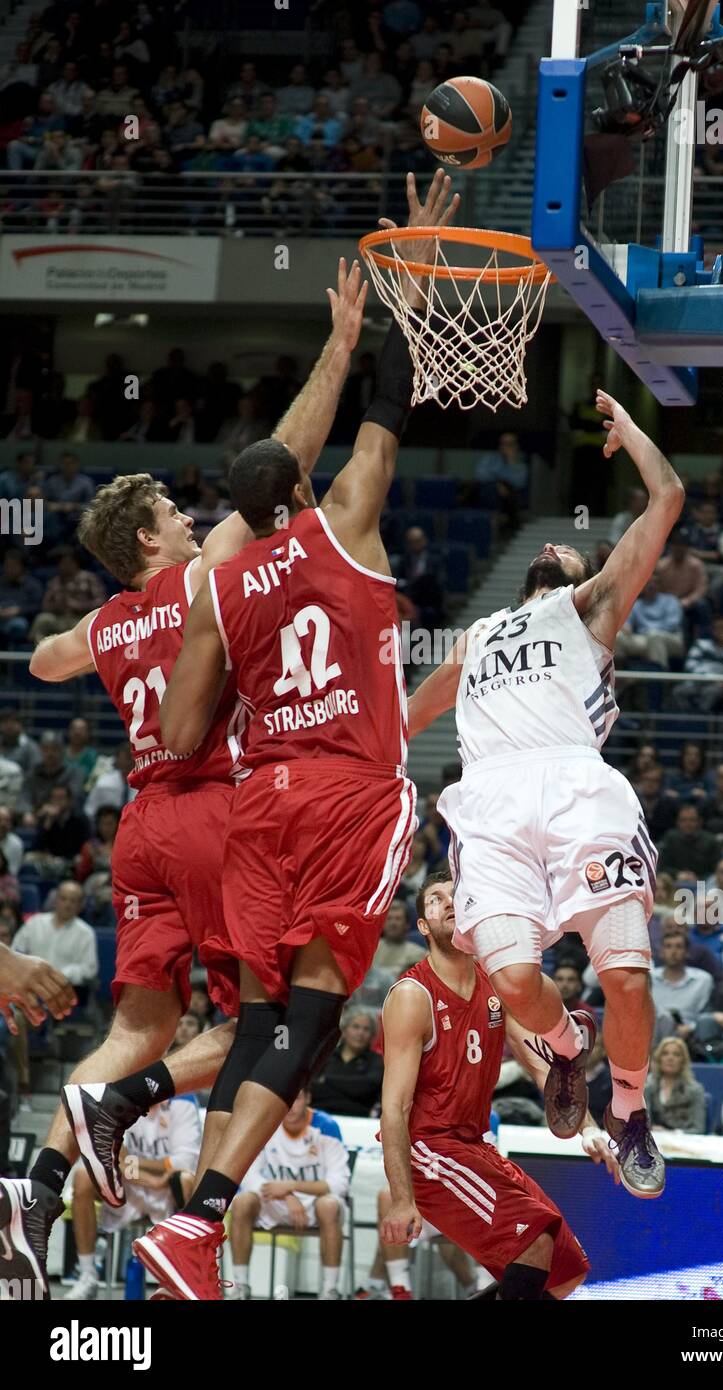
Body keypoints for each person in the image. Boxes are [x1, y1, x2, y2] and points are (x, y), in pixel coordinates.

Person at [0, 258, 367, 1298]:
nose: (189, 511)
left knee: (132, 1027)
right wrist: (339, 348)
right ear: (156, 538)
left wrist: (100, 629)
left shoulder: (109, 620)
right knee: (264, 1021)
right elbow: (278, 461)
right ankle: (179, 1197)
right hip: (213, 810)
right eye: (170, 505)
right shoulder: (205, 572)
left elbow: (43, 659)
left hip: (138, 826)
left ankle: (37, 1180)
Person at [128, 174, 459, 1301]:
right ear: (301, 488)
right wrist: (407, 261)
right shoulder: (346, 522)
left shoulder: (216, 587)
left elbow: (176, 732)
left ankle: (192, 1225)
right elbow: (391, 402)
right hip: (348, 793)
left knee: (266, 1018)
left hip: (255, 803)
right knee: (316, 1022)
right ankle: (204, 1212)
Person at [407, 389, 687, 1199]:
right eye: (556, 543)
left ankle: (630, 1109)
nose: (560, 543)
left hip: (577, 789)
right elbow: (401, 720)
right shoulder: (477, 635)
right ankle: (568, 1048)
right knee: (516, 983)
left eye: (574, 545)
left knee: (628, 977)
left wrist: (634, 435)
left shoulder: (589, 603)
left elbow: (667, 498)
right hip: (488, 804)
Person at [379, 873, 608, 1299]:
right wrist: (400, 1198)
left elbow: (542, 1065)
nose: (449, 902)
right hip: (430, 1148)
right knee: (533, 1243)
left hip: (476, 1145)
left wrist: (589, 1128)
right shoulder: (413, 995)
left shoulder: (495, 981)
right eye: (436, 899)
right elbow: (393, 1109)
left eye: (456, 896)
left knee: (565, 1274)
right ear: (424, 927)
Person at [65, 1087, 202, 1300]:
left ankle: (189, 1279)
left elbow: (184, 1162)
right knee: (83, 1177)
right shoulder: (122, 1098)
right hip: (133, 1185)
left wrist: (142, 1166)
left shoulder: (183, 1101)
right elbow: (118, 1160)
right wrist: (153, 1177)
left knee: (187, 1181)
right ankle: (87, 1275)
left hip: (169, 1189)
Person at [229, 1088, 350, 1301]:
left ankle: (330, 1290)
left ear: (308, 1099)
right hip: (274, 1200)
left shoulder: (326, 1127)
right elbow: (248, 1176)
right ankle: (240, 1286)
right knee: (241, 1202)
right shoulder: (265, 1122)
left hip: (314, 1204)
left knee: (330, 1204)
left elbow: (339, 1183)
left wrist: (292, 1186)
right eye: (286, 1099)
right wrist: (287, 1195)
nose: (291, 1106)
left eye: (297, 1098)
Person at [11, 881, 97, 996]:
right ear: (55, 900)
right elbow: (16, 951)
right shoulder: (35, 922)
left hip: (64, 992)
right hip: (28, 987)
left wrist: (60, 976)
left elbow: (89, 970)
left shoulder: (86, 933)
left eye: (73, 901)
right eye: (63, 899)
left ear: (80, 906)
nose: (67, 904)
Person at [310, 1007, 384, 1118]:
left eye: (366, 1029)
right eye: (356, 1026)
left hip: (359, 1121)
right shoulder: (325, 1056)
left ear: (372, 1035)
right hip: (319, 1117)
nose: (360, 1033)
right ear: (344, 1030)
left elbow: (368, 1087)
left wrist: (327, 1080)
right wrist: (352, 1090)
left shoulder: (377, 1061)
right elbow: (312, 1088)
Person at [649, 929, 714, 1042]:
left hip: (690, 1038)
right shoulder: (649, 978)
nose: (673, 951)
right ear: (661, 952)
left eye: (679, 947)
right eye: (668, 946)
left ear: (687, 952)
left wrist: (692, 1028)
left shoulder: (703, 980)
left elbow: (708, 1014)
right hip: (652, 1036)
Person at [644, 1037, 706, 1133]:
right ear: (659, 1059)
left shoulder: (695, 1090)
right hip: (655, 1140)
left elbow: (699, 1128)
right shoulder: (648, 1087)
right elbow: (643, 1124)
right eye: (665, 1053)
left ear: (683, 1061)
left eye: (676, 1054)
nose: (670, 1058)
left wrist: (672, 1133)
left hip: (684, 1142)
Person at [657, 803, 721, 879]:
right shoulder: (670, 838)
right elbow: (662, 867)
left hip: (703, 883)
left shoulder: (710, 841)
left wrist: (699, 878)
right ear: (678, 822)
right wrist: (678, 874)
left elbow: (716, 869)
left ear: (700, 822)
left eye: (692, 820)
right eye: (683, 820)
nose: (687, 824)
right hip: (674, 882)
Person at [372, 899, 426, 979]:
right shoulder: (370, 950)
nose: (393, 923)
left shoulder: (419, 954)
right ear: (382, 924)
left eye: (398, 919)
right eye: (389, 919)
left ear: (407, 925)